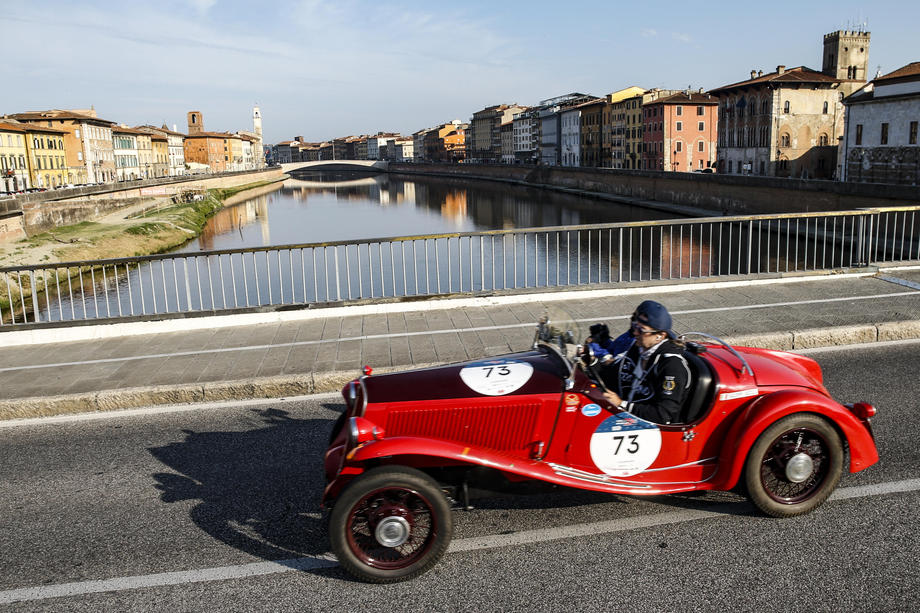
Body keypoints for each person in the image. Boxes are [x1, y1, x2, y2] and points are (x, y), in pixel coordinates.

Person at [600, 300, 691, 424]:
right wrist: (592, 364)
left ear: (660, 335)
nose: (635, 333)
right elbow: (614, 373)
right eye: (635, 327)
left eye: (641, 330)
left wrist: (622, 404)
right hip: (625, 416)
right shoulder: (639, 348)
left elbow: (663, 414)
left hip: (651, 428)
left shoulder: (671, 366)